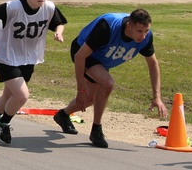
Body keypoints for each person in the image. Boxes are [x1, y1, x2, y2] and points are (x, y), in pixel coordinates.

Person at [51, 9, 167, 148]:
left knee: (89, 100)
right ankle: (96, 130)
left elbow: (153, 63)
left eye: (146, 31)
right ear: (129, 26)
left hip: (102, 59)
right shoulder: (107, 26)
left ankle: (63, 115)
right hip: (84, 53)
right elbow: (80, 56)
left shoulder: (146, 37)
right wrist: (80, 90)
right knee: (107, 83)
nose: (143, 36)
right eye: (139, 31)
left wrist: (157, 97)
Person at [0, 0, 68, 144]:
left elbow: (60, 22)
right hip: (4, 56)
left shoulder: (49, 8)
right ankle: (3, 123)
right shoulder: (12, 7)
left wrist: (59, 31)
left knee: (10, 94)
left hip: (28, 58)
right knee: (22, 95)